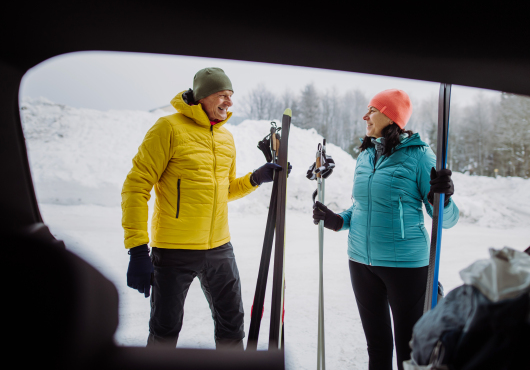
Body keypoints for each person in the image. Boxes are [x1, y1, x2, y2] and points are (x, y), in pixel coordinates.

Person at [122, 68, 288, 349]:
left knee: (232, 325)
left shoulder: (226, 138)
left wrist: (255, 178)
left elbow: (223, 191)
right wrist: (138, 249)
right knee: (165, 329)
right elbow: (136, 187)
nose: (229, 102)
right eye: (223, 95)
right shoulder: (168, 128)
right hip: (174, 249)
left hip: (219, 248)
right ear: (203, 96)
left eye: (231, 96)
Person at [311, 89, 459, 369]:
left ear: (391, 117)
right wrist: (338, 220)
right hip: (360, 263)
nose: (365, 116)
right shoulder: (366, 155)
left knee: (409, 352)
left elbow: (446, 219)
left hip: (405, 266)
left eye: (373, 110)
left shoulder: (420, 156)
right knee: (377, 347)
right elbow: (362, 206)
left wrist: (444, 199)